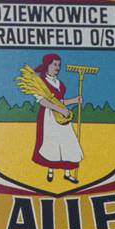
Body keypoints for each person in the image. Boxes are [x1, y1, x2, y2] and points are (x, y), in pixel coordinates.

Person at [30, 54, 83, 184]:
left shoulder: (59, 82)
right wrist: (60, 110)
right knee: (51, 143)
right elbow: (43, 101)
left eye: (59, 65)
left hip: (63, 117)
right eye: (54, 64)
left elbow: (60, 101)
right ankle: (50, 170)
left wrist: (74, 100)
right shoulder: (40, 82)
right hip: (48, 117)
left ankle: (67, 173)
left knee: (67, 143)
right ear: (47, 65)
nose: (57, 67)